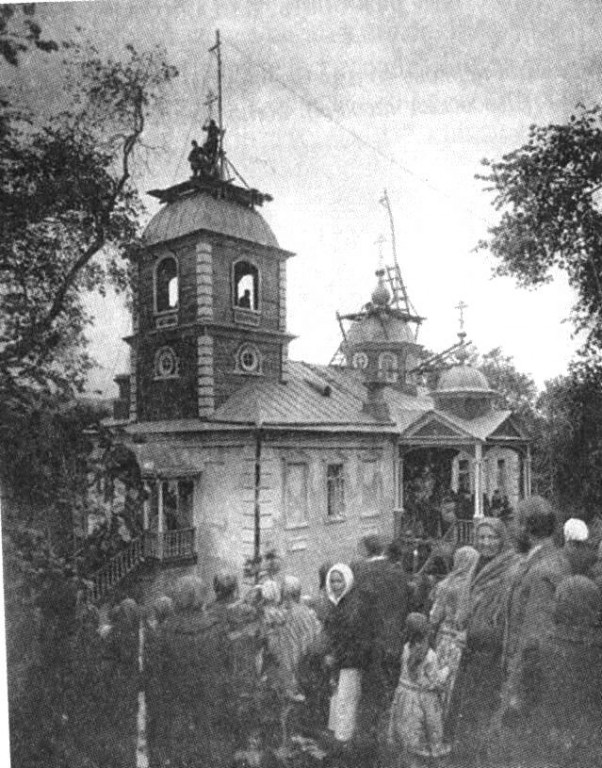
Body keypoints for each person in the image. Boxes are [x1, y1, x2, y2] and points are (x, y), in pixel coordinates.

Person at [491, 576, 602, 768]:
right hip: (587, 749)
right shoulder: (597, 654)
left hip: (541, 746)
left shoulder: (537, 649)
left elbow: (518, 702)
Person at [447, 517, 519, 767]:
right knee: (466, 716)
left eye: (493, 537)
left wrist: (473, 635)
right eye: (482, 537)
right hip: (471, 651)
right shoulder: (477, 565)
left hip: (491, 655)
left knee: (482, 716)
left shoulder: (510, 569)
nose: (487, 542)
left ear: (502, 539)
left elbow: (506, 620)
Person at [502, 497, 571, 700]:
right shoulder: (541, 560)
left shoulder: (544, 569)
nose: (511, 529)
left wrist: (514, 689)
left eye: (515, 522)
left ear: (526, 527)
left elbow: (534, 636)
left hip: (528, 684)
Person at [322, 564, 377, 755]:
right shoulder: (339, 602)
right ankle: (340, 738)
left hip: (349, 661)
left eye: (339, 581)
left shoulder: (350, 606)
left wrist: (335, 656)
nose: (335, 585)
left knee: (346, 700)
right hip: (341, 660)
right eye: (332, 581)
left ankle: (344, 743)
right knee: (339, 699)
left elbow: (350, 638)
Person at [387, 613, 451, 768]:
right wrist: (447, 670)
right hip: (422, 702)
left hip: (404, 698)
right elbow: (434, 682)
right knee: (422, 743)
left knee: (408, 739)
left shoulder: (406, 648)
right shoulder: (430, 655)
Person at [351, 534, 409, 694]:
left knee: (372, 687)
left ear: (365, 550)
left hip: (370, 638)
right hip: (394, 633)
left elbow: (359, 608)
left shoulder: (361, 573)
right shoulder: (397, 571)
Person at [428, 545, 479, 717]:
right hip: (466, 640)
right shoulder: (476, 586)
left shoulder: (445, 585)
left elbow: (435, 616)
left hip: (446, 639)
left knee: (442, 680)